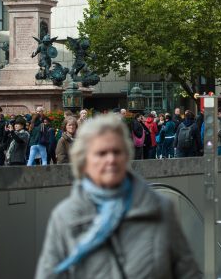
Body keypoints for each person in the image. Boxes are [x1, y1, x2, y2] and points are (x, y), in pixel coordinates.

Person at [35, 115, 201, 279]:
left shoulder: (160, 209)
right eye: (101, 153)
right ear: (84, 161)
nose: (111, 159)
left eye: (117, 151)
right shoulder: (65, 217)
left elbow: (188, 272)